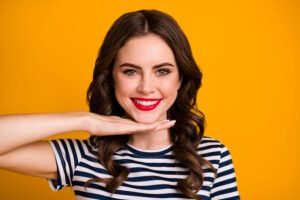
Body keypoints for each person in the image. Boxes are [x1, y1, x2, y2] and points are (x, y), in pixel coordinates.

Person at [0, 9, 239, 200]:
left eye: (162, 71)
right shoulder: (83, 157)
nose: (146, 87)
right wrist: (84, 119)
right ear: (111, 78)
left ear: (181, 80)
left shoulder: (212, 157)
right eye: (131, 71)